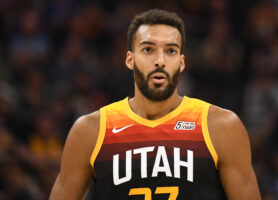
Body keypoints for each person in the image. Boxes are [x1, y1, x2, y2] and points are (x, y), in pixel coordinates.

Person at [50, 9, 261, 200]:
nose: (160, 60)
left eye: (170, 51)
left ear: (181, 62)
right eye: (148, 50)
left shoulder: (220, 126)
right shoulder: (90, 130)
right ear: (130, 60)